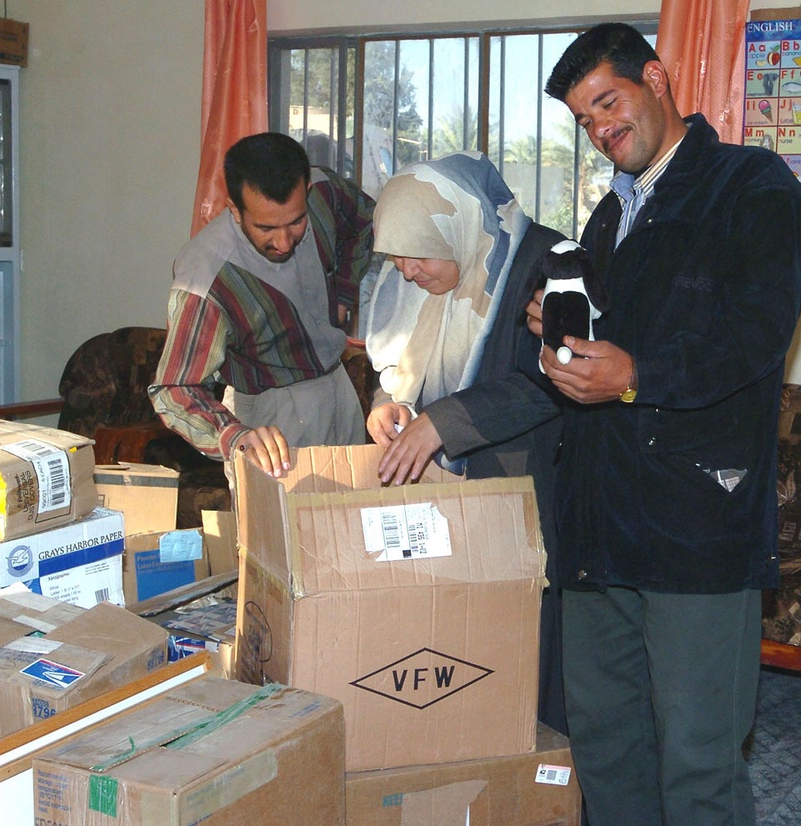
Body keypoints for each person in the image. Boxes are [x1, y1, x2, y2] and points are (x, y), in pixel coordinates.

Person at [522, 23, 801, 826]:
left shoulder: (752, 186)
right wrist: (560, 338)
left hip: (694, 525)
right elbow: (610, 342)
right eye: (584, 119)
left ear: (657, 77)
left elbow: (753, 336)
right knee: (609, 748)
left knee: (698, 762)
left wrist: (635, 374)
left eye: (608, 103)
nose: (600, 129)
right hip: (597, 521)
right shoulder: (607, 218)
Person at [365, 150, 569, 734]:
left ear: (458, 226)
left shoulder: (544, 265)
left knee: (524, 647)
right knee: (451, 652)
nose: (405, 270)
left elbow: (549, 383)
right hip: (447, 493)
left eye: (416, 253)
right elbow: (403, 363)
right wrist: (392, 407)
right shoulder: (421, 277)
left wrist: (442, 423)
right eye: (395, 255)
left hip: (526, 490)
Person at [150, 132, 376, 476]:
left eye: (296, 222)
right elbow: (174, 389)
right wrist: (235, 436)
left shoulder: (325, 193)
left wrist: (343, 292)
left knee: (353, 520)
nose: (284, 243)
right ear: (235, 210)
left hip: (339, 389)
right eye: (266, 228)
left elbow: (368, 223)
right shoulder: (205, 277)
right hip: (268, 418)